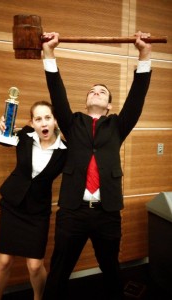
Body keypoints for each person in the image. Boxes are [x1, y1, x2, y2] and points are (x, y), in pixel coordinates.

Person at [41, 31, 152, 300]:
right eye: (92, 90)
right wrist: (49, 52)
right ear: (87, 101)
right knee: (59, 271)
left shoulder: (117, 125)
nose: (96, 92)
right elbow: (57, 94)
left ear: (109, 105)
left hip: (107, 212)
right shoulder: (73, 122)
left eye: (102, 91)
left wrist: (144, 55)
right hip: (73, 211)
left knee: (112, 270)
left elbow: (136, 100)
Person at [0, 100, 67, 300]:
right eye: (38, 119)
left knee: (35, 266)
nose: (43, 123)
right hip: (12, 204)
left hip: (38, 211)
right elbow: (3, 139)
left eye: (48, 118)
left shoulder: (65, 150)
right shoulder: (25, 135)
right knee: (5, 260)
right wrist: (2, 128)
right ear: (32, 122)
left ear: (55, 121)